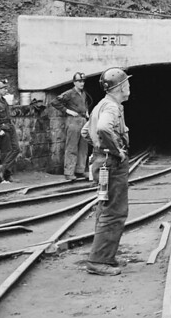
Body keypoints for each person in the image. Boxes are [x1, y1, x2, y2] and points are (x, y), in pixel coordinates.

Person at [81, 68, 132, 276]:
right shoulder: (111, 107)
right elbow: (102, 128)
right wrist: (114, 150)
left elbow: (87, 131)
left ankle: (105, 256)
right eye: (127, 83)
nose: (129, 86)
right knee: (115, 211)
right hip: (112, 164)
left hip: (103, 162)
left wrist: (98, 150)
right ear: (120, 87)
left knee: (105, 208)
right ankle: (98, 261)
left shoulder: (101, 104)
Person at [51, 71, 93, 181]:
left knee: (83, 147)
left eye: (83, 81)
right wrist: (67, 111)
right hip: (73, 121)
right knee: (72, 147)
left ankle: (80, 170)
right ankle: (69, 172)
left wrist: (87, 112)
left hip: (83, 120)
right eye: (79, 81)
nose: (82, 83)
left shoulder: (83, 93)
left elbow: (85, 103)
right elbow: (55, 102)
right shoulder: (69, 93)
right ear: (74, 82)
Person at [0, 79, 20, 183]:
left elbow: (7, 114)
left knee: (16, 149)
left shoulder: (3, 100)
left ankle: (2, 169)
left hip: (9, 128)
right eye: (4, 88)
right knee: (6, 152)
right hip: (2, 130)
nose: (6, 90)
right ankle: (5, 176)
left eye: (6, 88)